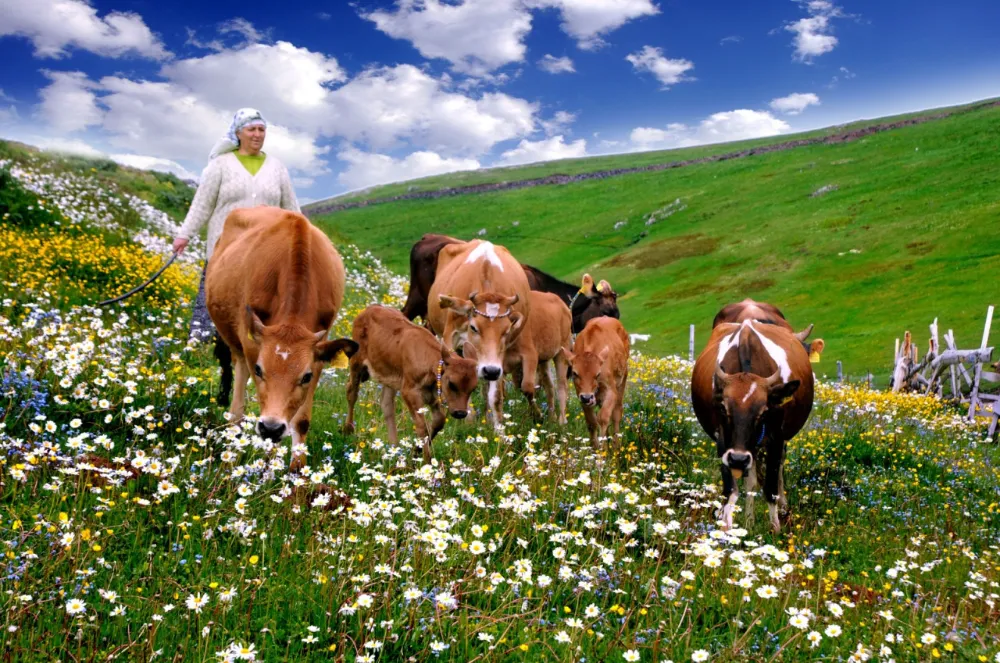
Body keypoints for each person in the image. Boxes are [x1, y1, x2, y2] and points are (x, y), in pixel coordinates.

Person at [173, 107, 300, 342]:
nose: (257, 134)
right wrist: (184, 235)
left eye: (262, 129)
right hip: (225, 251)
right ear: (239, 133)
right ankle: (200, 345)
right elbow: (202, 205)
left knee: (265, 302)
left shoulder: (277, 168)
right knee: (216, 300)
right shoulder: (220, 165)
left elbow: (292, 210)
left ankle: (258, 345)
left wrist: (304, 242)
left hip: (266, 253)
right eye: (252, 129)